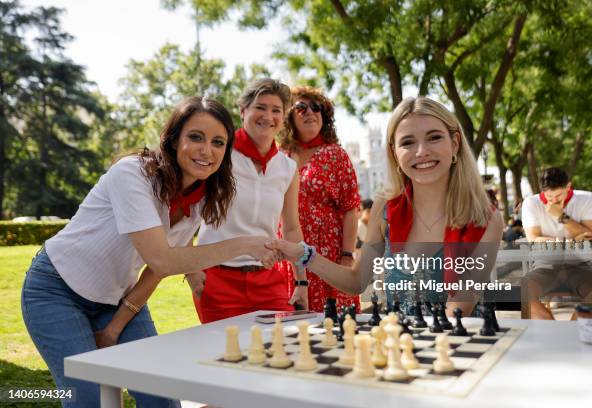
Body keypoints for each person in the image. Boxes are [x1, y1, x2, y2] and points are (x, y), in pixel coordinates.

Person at [21, 97, 279, 408]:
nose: (206, 150)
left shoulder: (200, 196)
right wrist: (244, 244)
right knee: (89, 399)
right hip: (55, 289)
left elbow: (156, 270)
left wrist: (115, 327)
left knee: (161, 397)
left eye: (218, 142)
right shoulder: (132, 174)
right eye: (195, 137)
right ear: (173, 140)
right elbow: (163, 259)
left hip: (116, 297)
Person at [268, 96, 503, 316]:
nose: (422, 152)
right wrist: (305, 255)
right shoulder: (385, 207)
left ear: (454, 143)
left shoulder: (487, 219)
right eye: (408, 142)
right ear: (395, 154)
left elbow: (459, 308)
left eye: (434, 137)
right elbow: (357, 281)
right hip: (394, 348)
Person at [190, 78, 308, 323]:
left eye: (276, 110)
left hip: (268, 280)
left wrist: (301, 281)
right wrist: (191, 269)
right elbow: (186, 212)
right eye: (260, 107)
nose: (268, 116)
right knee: (222, 356)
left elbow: (292, 228)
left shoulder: (287, 167)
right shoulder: (220, 155)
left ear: (283, 117)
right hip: (217, 280)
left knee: (278, 353)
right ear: (243, 111)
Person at [278, 85, 361, 312]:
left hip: (328, 256)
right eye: (301, 107)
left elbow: (351, 209)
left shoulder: (335, 154)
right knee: (295, 334)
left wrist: (346, 256)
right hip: (288, 257)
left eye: (316, 108)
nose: (310, 112)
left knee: (336, 328)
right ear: (288, 117)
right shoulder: (279, 157)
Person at [521, 167, 592, 319]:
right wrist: (571, 239)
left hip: (581, 264)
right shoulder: (531, 203)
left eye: (558, 195)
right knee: (522, 292)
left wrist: (560, 215)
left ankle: (572, 331)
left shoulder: (587, 198)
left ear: (568, 187)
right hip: (545, 265)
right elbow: (533, 239)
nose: (553, 201)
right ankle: (555, 333)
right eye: (549, 196)